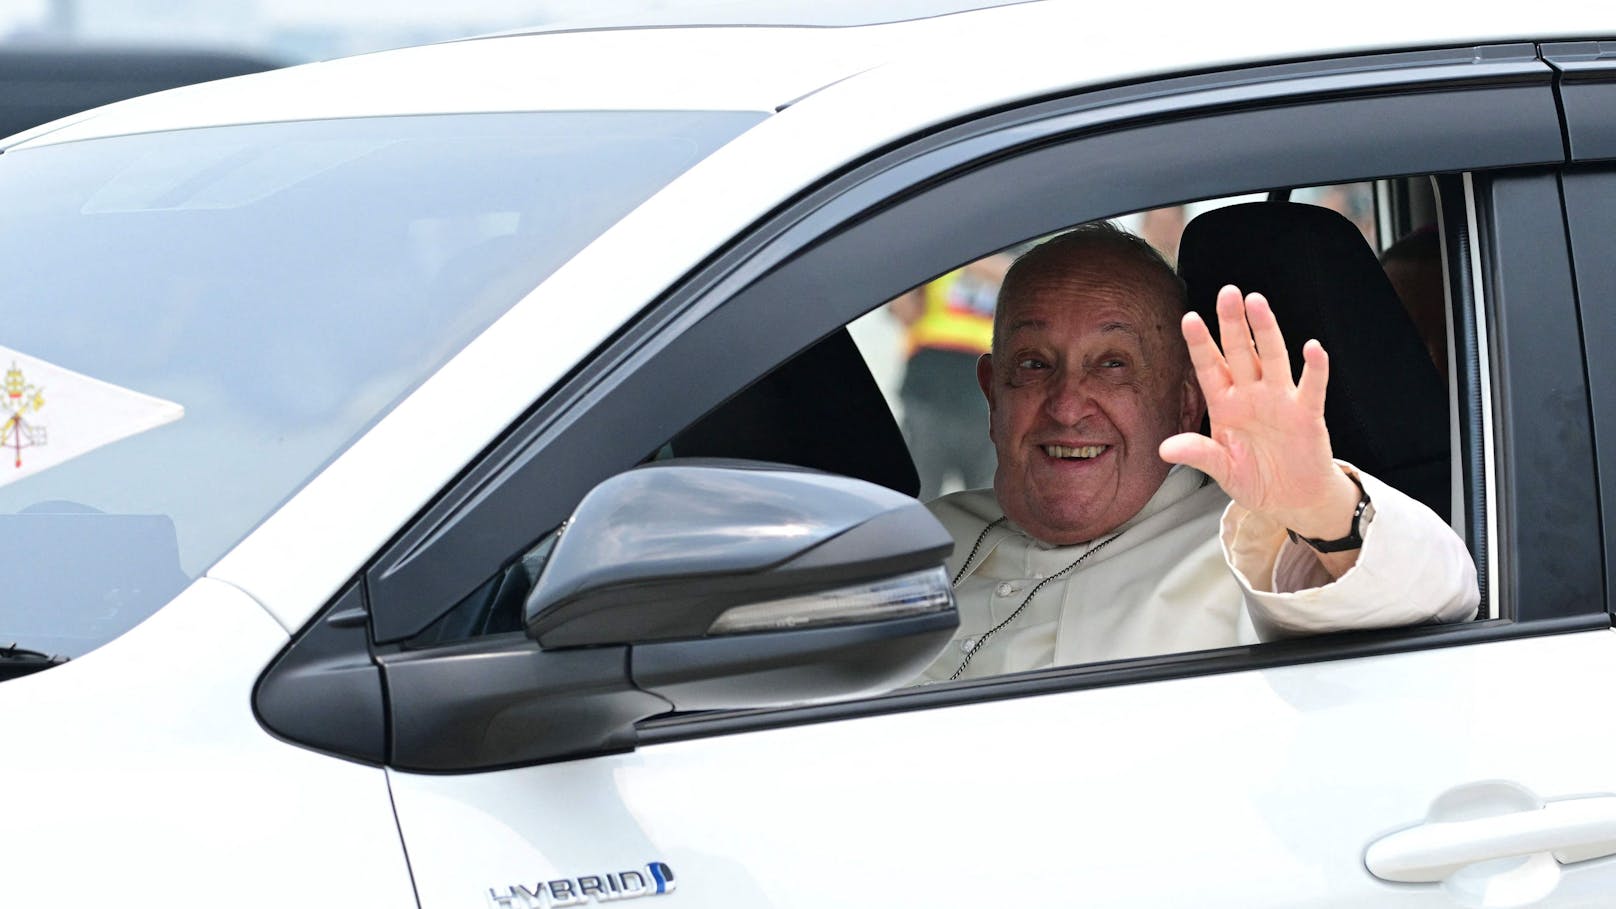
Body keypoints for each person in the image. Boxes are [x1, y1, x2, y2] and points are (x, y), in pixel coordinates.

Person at [916, 223, 1478, 683]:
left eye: (1113, 364)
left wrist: (1318, 505)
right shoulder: (920, 541)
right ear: (993, 393)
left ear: (1186, 400)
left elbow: (1437, 596)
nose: (1066, 406)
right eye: (1035, 364)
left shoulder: (1264, 548)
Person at [887, 254, 1014, 500]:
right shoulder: (932, 247)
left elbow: (1021, 275)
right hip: (927, 394)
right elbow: (905, 313)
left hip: (987, 402)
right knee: (916, 499)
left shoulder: (1018, 240)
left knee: (988, 507)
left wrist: (966, 258)